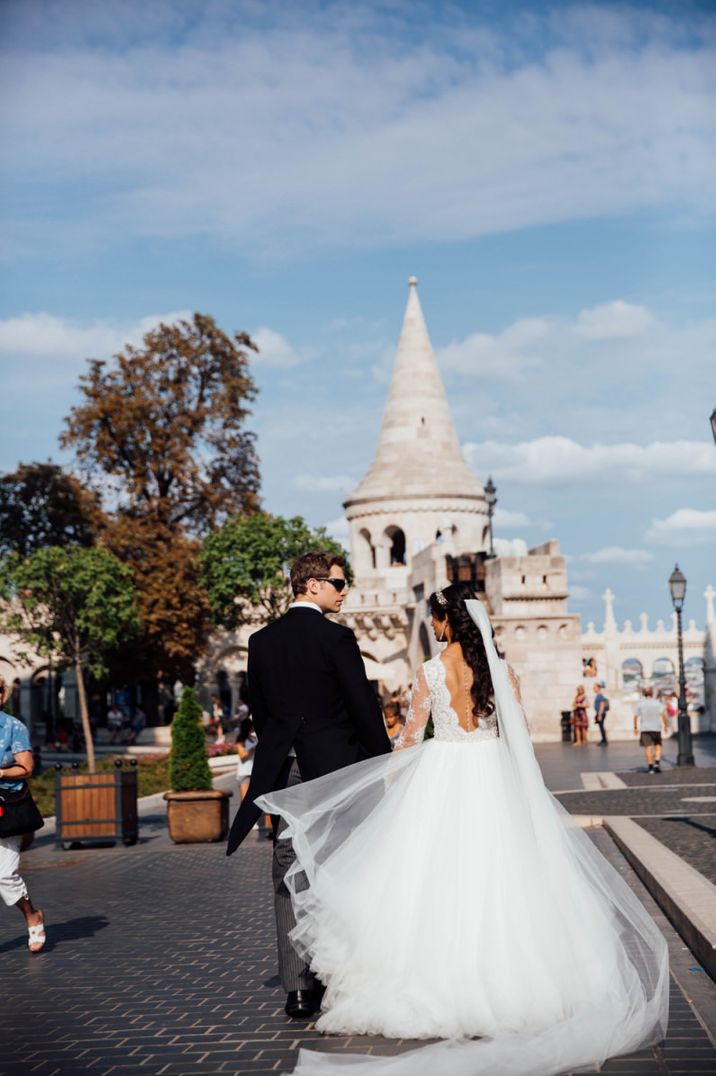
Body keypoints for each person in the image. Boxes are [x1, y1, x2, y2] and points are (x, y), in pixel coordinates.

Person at [258, 584, 668, 1076]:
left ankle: (434, 982)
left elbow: (409, 738)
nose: (431, 627)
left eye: (434, 619)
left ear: (448, 620)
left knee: (434, 878)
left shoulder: (431, 671)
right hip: (493, 773)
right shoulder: (502, 672)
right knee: (502, 875)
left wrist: (387, 782)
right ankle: (516, 982)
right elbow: (520, 740)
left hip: (442, 775)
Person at [226, 551, 391, 1020]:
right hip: (336, 770)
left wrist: (283, 743)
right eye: (340, 583)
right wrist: (380, 761)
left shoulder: (261, 641)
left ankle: (298, 987)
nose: (345, 592)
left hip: (284, 770)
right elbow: (362, 706)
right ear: (312, 585)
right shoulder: (337, 639)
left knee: (288, 869)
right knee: (343, 866)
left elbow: (258, 710)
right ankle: (341, 974)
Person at [0, 675, 46, 953]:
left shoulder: (12, 726)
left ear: (1, 696)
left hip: (5, 808)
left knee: (4, 875)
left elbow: (26, 767)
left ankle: (32, 915)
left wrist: (2, 772)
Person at [634, 686, 669, 773]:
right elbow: (663, 715)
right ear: (652, 694)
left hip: (645, 728)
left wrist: (635, 727)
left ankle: (650, 766)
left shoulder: (640, 704)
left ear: (644, 694)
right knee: (658, 746)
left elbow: (636, 717)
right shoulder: (658, 703)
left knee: (648, 747)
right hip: (656, 728)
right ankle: (656, 764)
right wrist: (665, 725)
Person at [235, 716, 258, 803]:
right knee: (245, 801)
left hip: (254, 771)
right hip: (245, 772)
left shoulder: (254, 738)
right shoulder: (241, 740)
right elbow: (242, 756)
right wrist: (253, 749)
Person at [593, 680, 609, 746]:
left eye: (594, 687)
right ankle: (603, 739)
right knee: (601, 727)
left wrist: (599, 715)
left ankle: (604, 740)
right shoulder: (598, 695)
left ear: (598, 688)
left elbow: (602, 705)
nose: (593, 689)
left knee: (601, 727)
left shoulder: (600, 695)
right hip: (600, 713)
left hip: (601, 713)